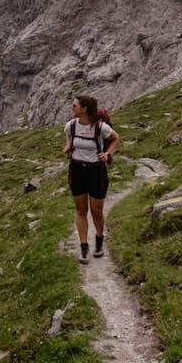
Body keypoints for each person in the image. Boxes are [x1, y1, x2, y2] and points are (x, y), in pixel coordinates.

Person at [63, 94, 120, 264]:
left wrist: (107, 153)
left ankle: (99, 241)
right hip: (77, 170)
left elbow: (116, 138)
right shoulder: (71, 125)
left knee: (96, 211)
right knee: (81, 210)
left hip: (96, 172)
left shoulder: (101, 127)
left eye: (74, 106)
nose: (72, 108)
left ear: (84, 109)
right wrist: (67, 146)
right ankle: (84, 248)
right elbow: (67, 139)